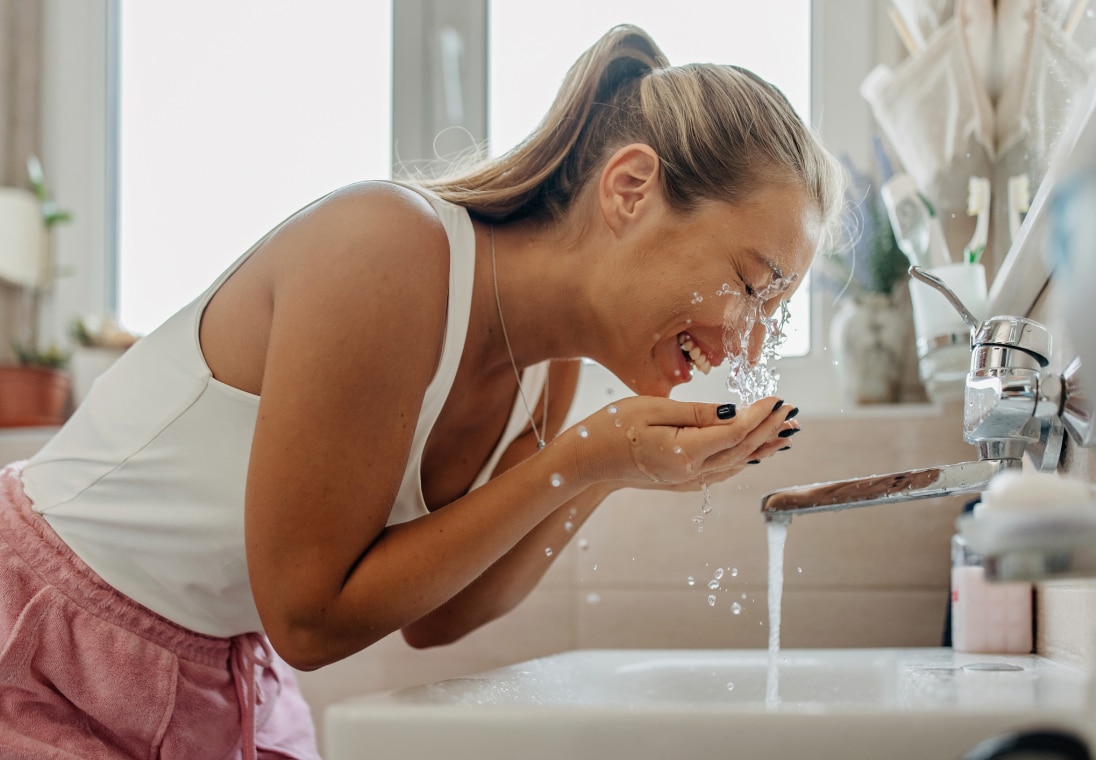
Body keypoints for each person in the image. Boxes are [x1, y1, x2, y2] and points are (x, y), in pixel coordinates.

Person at [0, 23, 844, 760]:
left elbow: (438, 618)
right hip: (42, 633)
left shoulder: (549, 379)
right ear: (629, 189)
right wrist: (591, 452)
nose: (753, 343)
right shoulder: (387, 249)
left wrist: (604, 470)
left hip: (214, 672)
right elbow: (307, 620)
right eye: (753, 286)